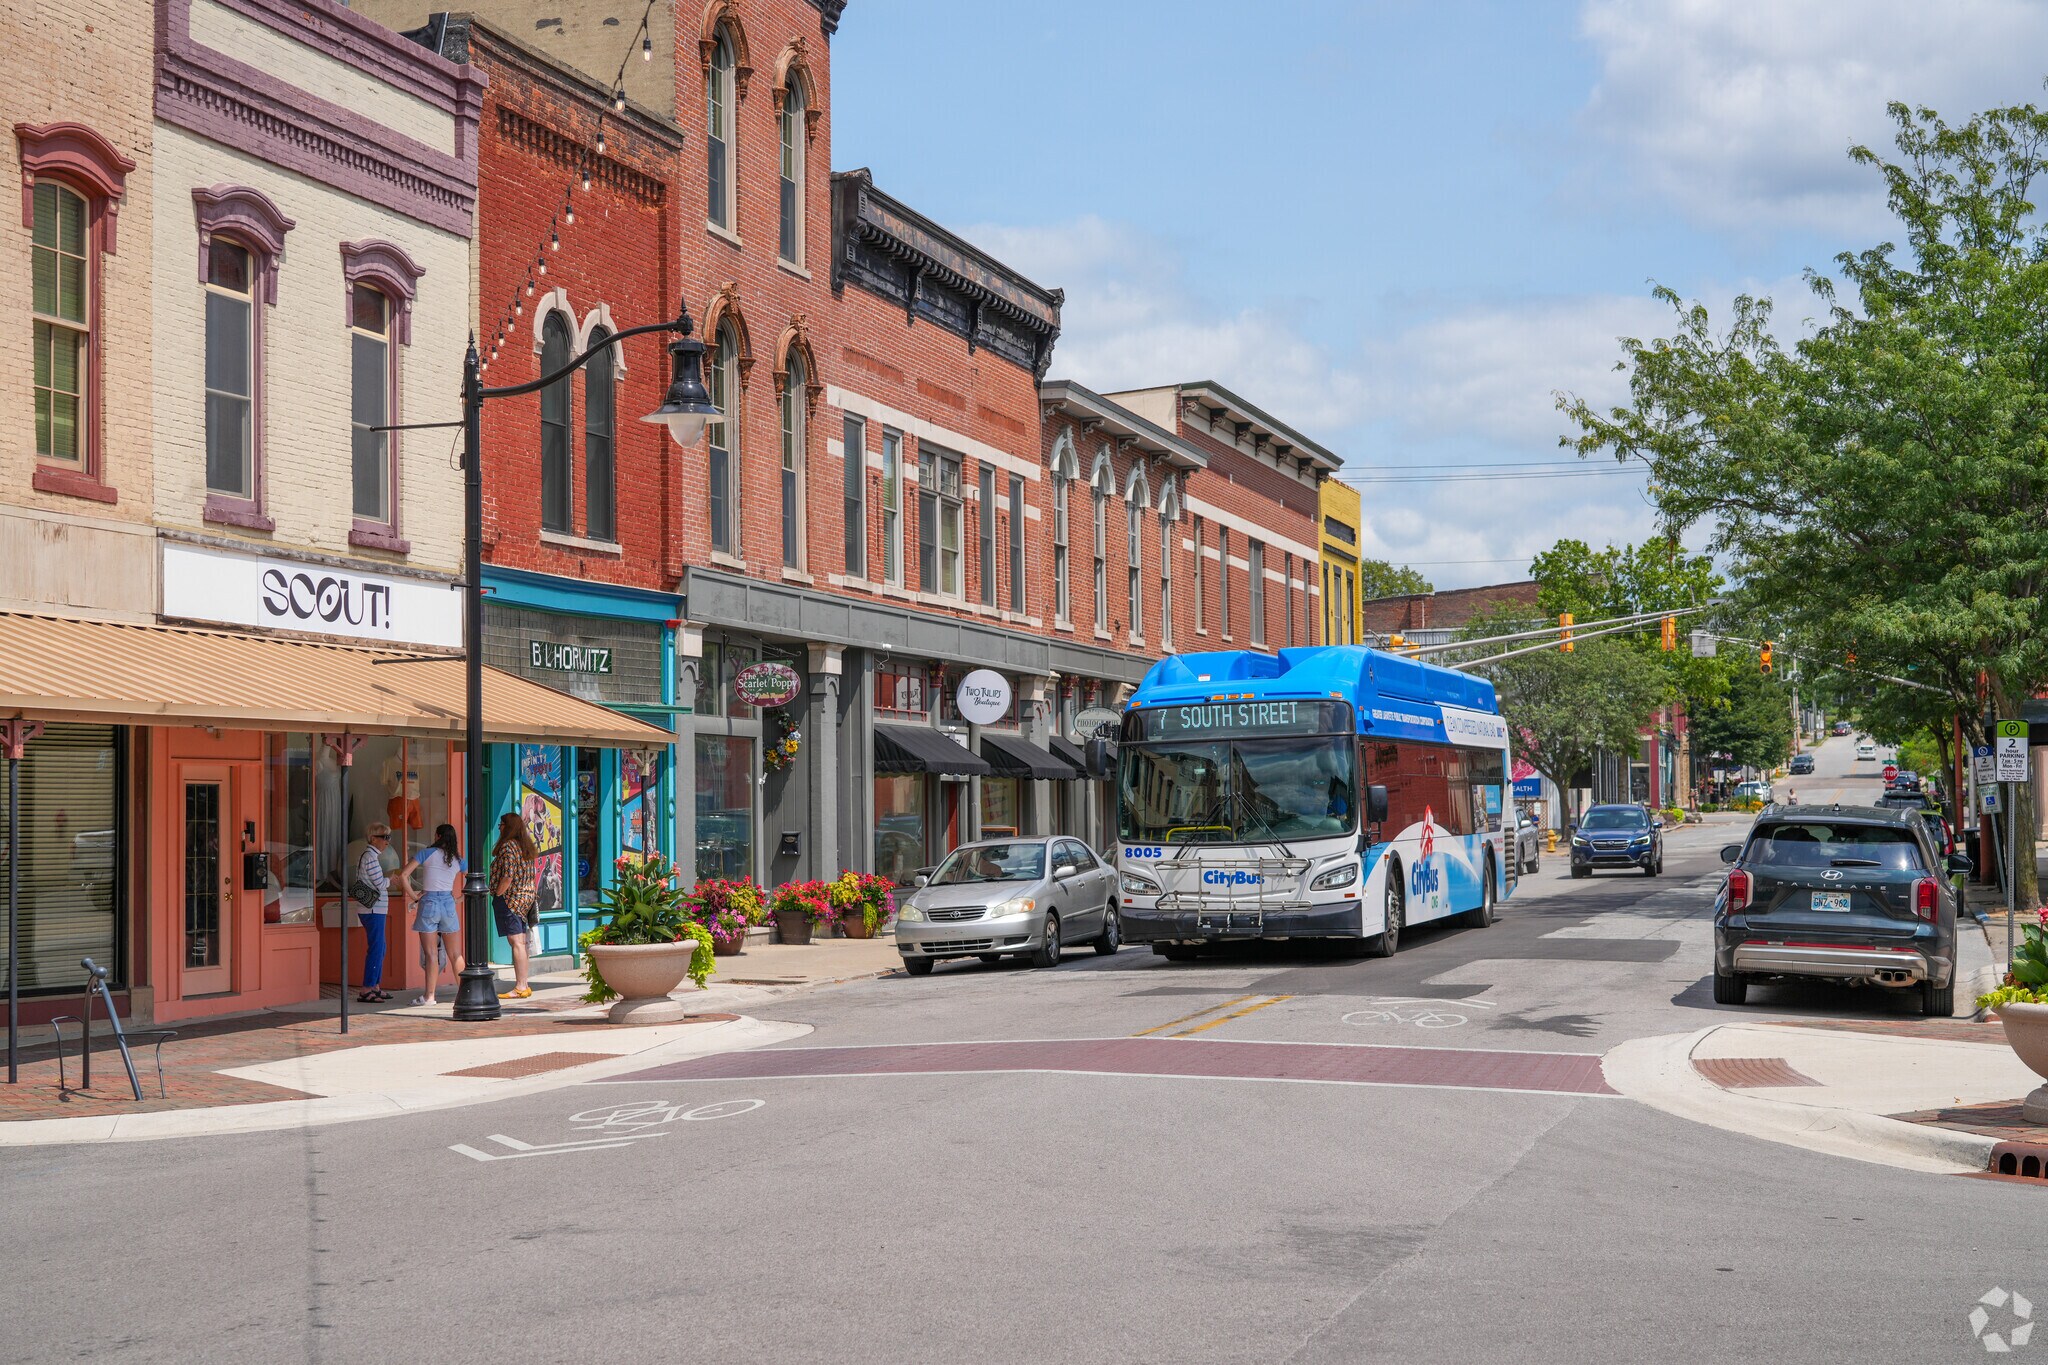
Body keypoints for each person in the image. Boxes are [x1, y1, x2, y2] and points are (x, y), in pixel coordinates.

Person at [405, 823, 466, 1006]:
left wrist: (414, 895)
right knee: (455, 954)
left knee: (431, 953)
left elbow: (403, 875)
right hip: (448, 902)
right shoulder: (458, 859)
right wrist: (459, 899)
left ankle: (429, 996)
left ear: (437, 836)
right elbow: (474, 882)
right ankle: (464, 993)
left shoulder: (426, 853)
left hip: (429, 901)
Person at [490, 811, 539, 1000]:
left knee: (516, 941)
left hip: (511, 899)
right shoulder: (524, 846)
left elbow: (508, 875)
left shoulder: (508, 846)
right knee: (521, 942)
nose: (499, 827)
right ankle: (524, 985)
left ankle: (520, 986)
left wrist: (499, 893)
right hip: (525, 898)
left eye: (501, 824)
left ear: (507, 826)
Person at [355, 823, 394, 1003]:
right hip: (373, 909)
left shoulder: (371, 857)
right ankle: (367, 988)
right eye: (384, 837)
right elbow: (380, 884)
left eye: (388, 837)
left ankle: (375, 985)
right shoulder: (370, 857)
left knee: (380, 947)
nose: (387, 841)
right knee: (377, 948)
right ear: (373, 838)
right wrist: (391, 879)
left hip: (375, 908)